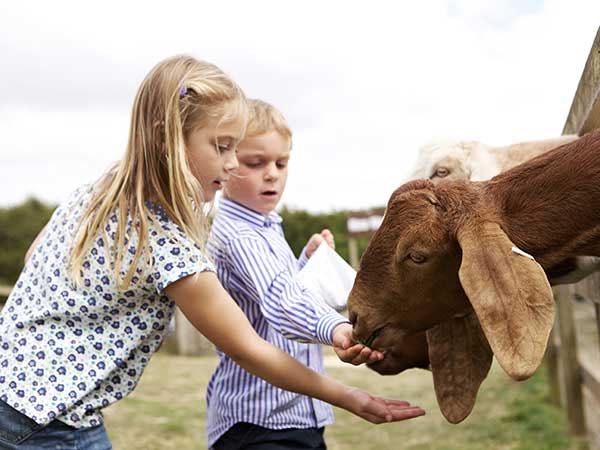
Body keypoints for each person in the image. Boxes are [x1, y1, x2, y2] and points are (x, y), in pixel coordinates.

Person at [0, 56, 425, 450]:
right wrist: (349, 395)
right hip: (47, 419)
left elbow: (34, 256)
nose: (231, 164)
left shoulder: (95, 196)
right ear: (167, 140)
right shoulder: (170, 247)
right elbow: (248, 347)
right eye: (222, 147)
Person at [207, 99, 402, 450]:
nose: (272, 174)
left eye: (281, 163)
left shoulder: (265, 227)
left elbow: (265, 293)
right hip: (260, 423)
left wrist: (304, 261)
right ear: (226, 160)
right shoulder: (239, 235)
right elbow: (281, 301)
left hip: (293, 414)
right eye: (256, 163)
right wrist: (336, 328)